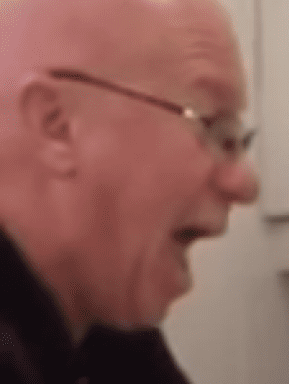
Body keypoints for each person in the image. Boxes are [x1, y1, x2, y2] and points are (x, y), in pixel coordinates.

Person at [0, 0, 258, 382]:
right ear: (57, 125)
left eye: (238, 140)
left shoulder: (116, 341)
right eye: (214, 129)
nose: (245, 184)